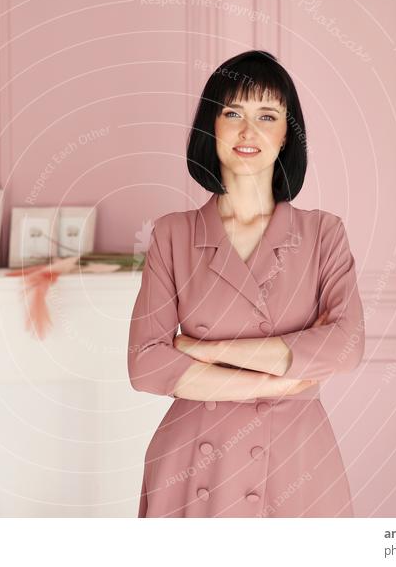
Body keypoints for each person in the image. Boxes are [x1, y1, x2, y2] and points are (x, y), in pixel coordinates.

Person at [127, 50, 365, 518]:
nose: (247, 130)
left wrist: (204, 349)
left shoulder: (323, 233)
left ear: (286, 136)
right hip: (194, 461)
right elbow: (145, 364)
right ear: (210, 127)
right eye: (232, 112)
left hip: (295, 460)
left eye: (267, 116)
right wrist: (278, 383)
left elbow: (346, 344)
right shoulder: (174, 233)